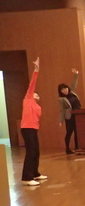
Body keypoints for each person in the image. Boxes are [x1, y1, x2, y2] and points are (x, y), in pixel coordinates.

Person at [21, 58, 47, 186]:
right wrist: (36, 70)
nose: (36, 95)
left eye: (37, 94)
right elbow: (32, 84)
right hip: (27, 128)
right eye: (34, 94)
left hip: (33, 129)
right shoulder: (28, 99)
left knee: (36, 151)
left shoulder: (37, 106)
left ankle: (35, 173)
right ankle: (27, 177)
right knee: (31, 152)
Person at [58, 68, 81, 154]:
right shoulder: (61, 99)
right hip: (69, 117)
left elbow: (74, 83)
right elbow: (62, 110)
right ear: (60, 91)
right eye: (62, 90)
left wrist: (76, 74)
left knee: (77, 132)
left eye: (65, 88)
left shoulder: (72, 92)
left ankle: (78, 147)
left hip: (78, 114)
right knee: (69, 132)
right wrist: (61, 121)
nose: (65, 90)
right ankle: (67, 148)